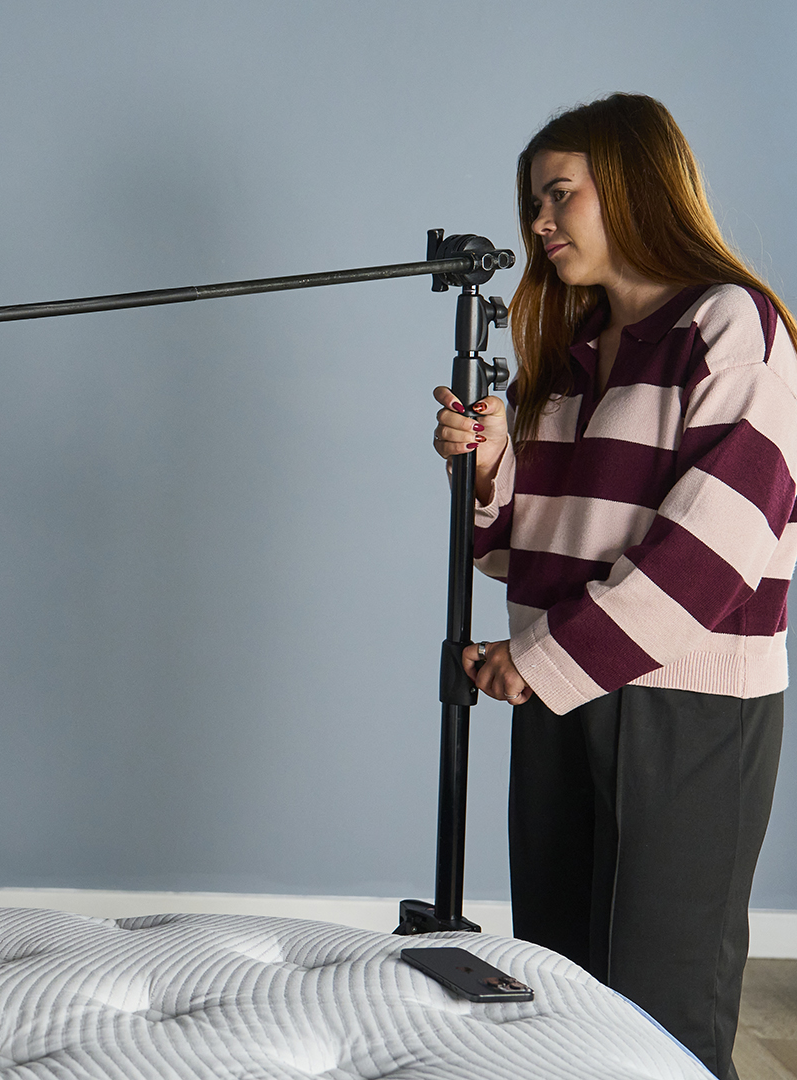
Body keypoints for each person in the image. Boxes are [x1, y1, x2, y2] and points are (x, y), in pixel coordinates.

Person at [431, 93, 795, 1080]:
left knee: (659, 995)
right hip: (558, 690)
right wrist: (493, 463)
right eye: (533, 203)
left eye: (560, 196)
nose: (539, 224)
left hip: (686, 705)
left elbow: (715, 552)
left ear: (636, 186)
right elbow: (517, 553)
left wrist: (540, 663)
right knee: (560, 982)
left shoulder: (732, 326)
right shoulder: (570, 359)